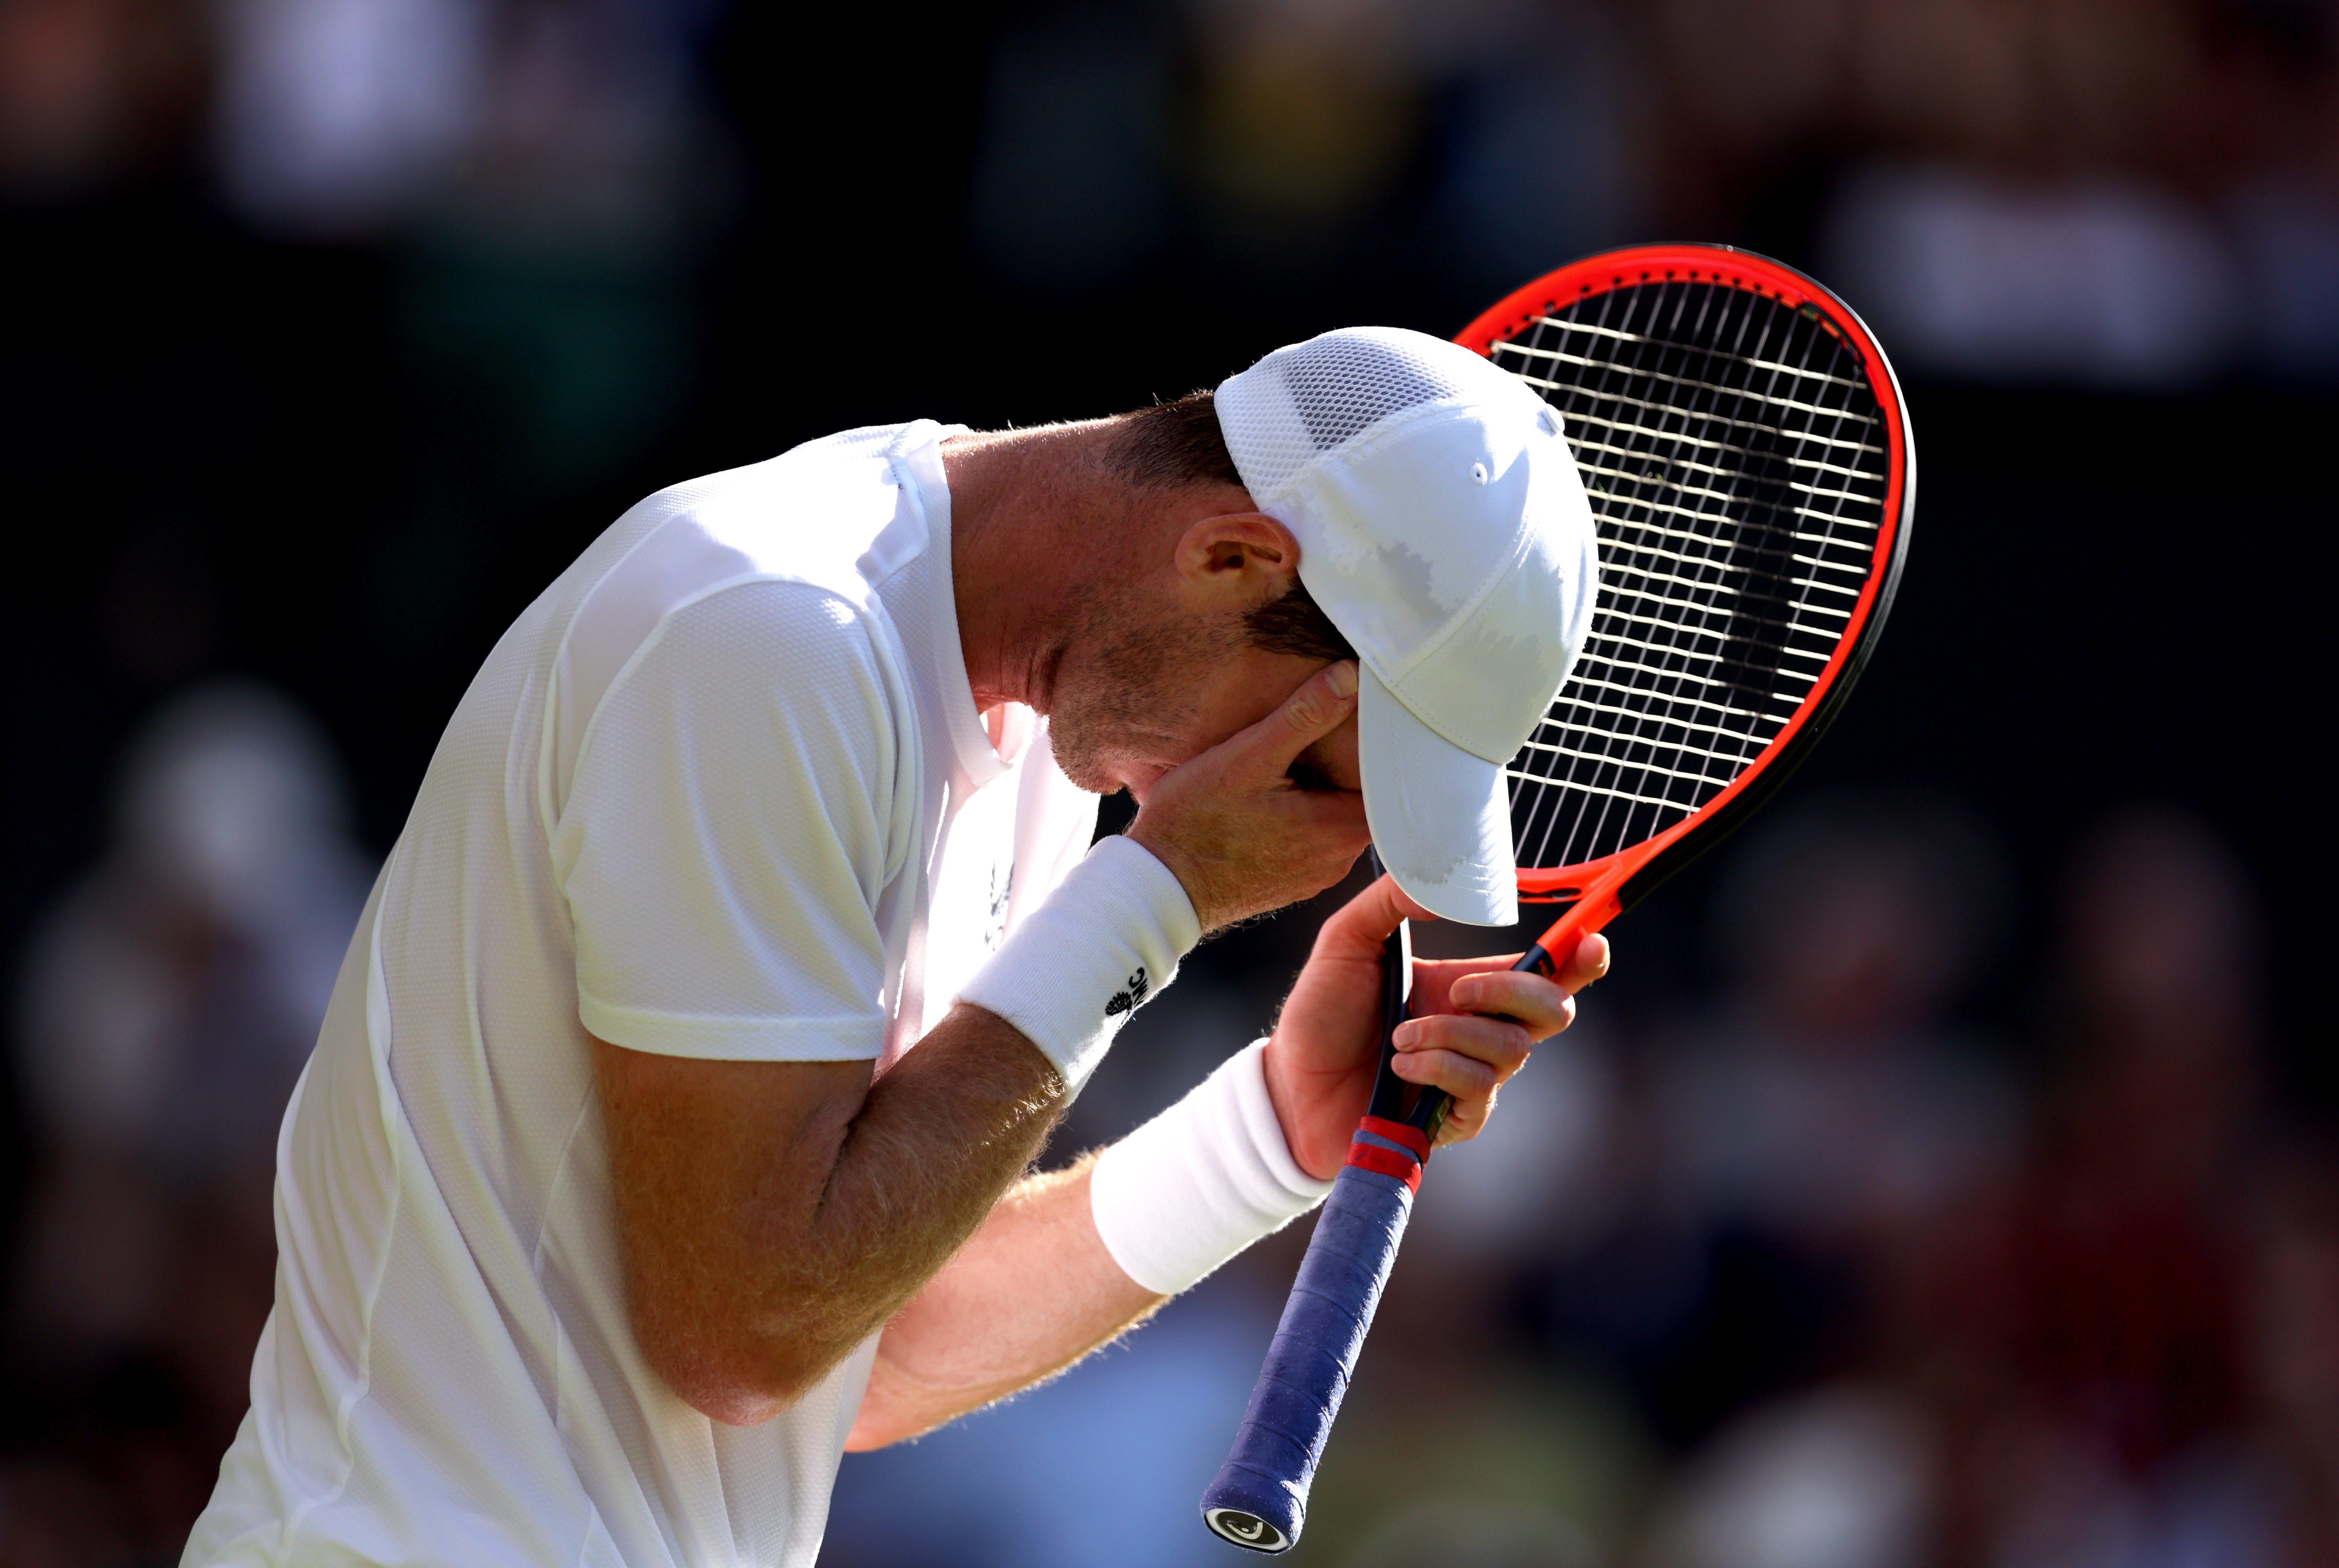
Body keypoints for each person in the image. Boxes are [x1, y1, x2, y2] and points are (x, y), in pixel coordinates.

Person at [181, 327, 1607, 1566]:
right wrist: (1157, 896)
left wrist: (1273, 1135)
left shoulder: (1048, 736)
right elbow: (745, 1333)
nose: (1308, 844)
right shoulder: (764, 634)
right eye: (1314, 768)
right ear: (1231, 555)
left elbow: (853, 1356)